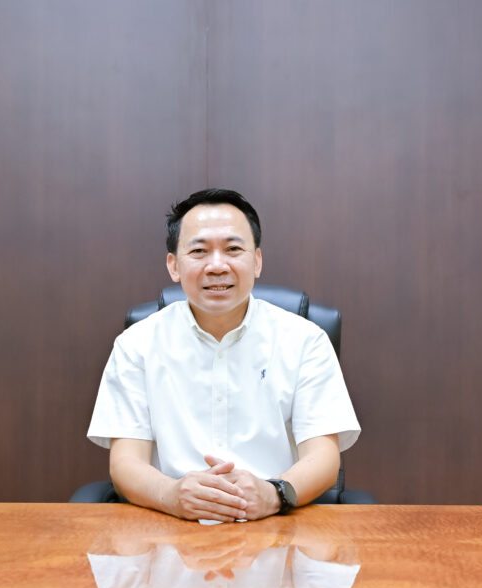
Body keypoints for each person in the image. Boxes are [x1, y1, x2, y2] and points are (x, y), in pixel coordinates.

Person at [87, 188, 359, 522]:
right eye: (199, 251)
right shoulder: (136, 344)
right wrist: (172, 496)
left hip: (275, 525)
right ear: (174, 265)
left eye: (233, 249)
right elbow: (125, 463)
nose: (217, 266)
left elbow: (324, 459)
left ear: (256, 261)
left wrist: (273, 494)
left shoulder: (305, 341)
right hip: (169, 525)